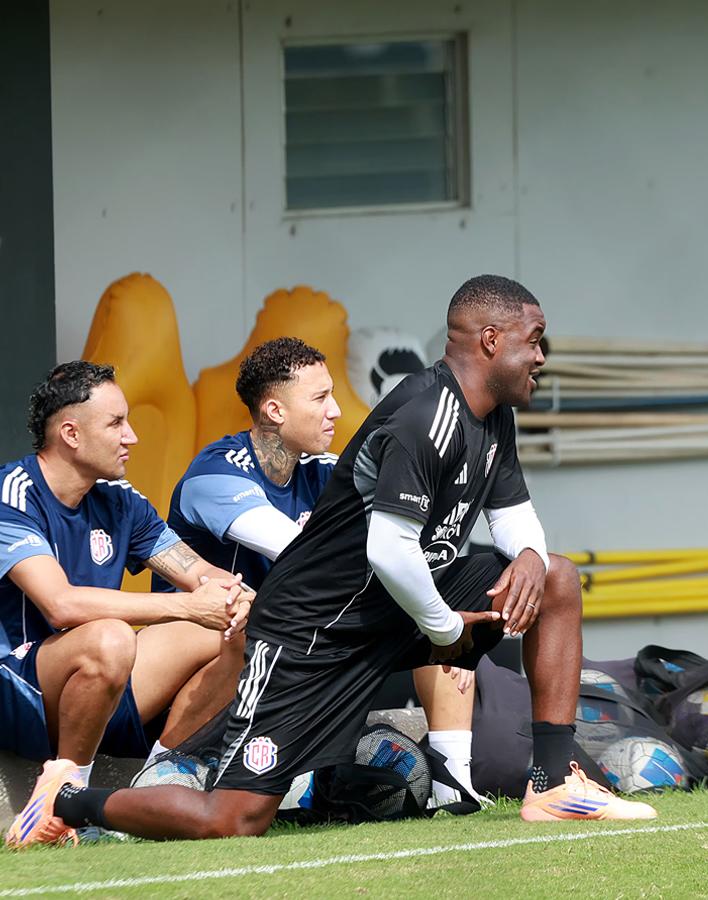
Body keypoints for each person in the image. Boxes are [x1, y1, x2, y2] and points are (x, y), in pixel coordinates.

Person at [12, 275, 655, 846]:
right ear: (490, 340)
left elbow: (512, 516)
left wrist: (532, 559)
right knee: (233, 817)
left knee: (557, 577)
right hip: (314, 632)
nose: (541, 356)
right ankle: (68, 800)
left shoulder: (491, 418)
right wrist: (444, 628)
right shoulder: (420, 416)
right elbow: (387, 549)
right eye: (534, 340)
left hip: (391, 604)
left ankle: (547, 782)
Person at [155, 336, 485, 804]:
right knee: (246, 628)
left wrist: (443, 623)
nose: (335, 411)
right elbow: (298, 554)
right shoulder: (216, 474)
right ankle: (160, 768)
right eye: (320, 398)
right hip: (208, 650)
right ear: (274, 411)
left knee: (432, 604)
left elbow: (402, 553)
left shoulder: (324, 471)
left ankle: (453, 786)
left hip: (292, 644)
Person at [2, 361, 253, 847]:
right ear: (71, 434)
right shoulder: (12, 493)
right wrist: (187, 607)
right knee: (110, 638)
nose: (132, 436)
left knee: (233, 624)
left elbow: (198, 572)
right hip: (19, 688)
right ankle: (67, 802)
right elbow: (61, 605)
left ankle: (158, 785)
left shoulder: (120, 499)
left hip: (100, 683)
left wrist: (235, 596)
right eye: (116, 423)